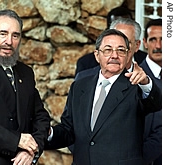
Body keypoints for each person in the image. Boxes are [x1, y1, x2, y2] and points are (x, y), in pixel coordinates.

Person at [45, 29, 162, 165]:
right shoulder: (79, 86)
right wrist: (49, 133)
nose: (114, 55)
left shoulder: (136, 86)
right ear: (97, 55)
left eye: (121, 50)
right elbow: (68, 129)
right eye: (108, 50)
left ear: (127, 55)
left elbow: (156, 102)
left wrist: (146, 83)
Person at [0, 9, 50, 165]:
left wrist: (31, 150)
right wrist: (16, 140)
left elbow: (41, 117)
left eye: (15, 35)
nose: (9, 42)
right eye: (3, 33)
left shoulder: (25, 73)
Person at [75, 6, 147, 76]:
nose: (115, 55)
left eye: (126, 42)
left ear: (137, 45)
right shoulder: (86, 66)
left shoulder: (147, 66)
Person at [141, 18, 162, 165]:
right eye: (153, 39)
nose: (158, 46)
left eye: (163, 40)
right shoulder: (136, 78)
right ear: (144, 42)